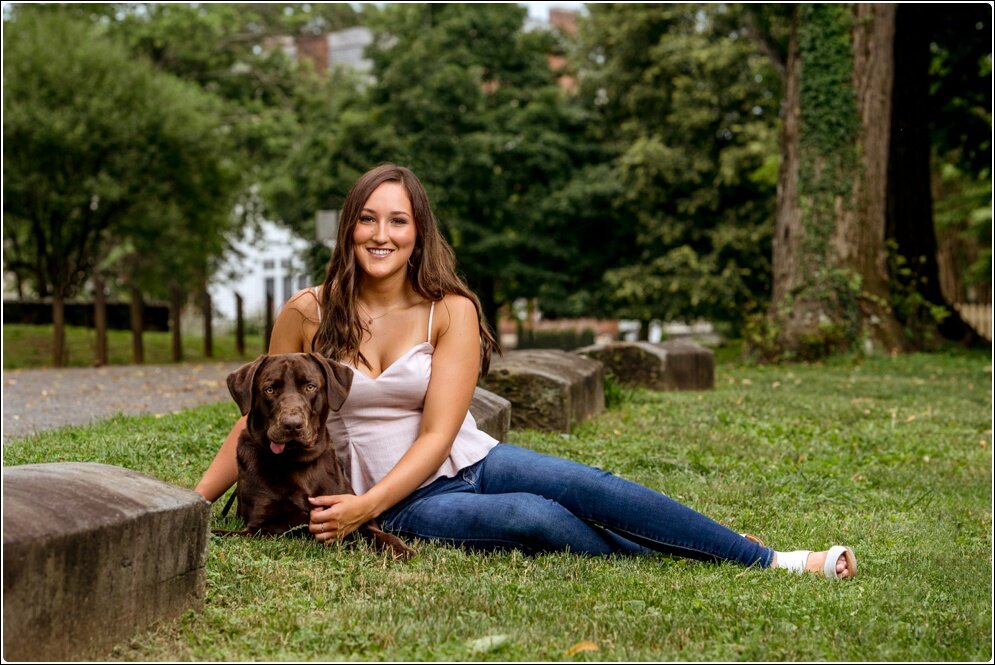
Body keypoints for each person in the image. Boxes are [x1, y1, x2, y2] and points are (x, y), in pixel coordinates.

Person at [195, 163, 856, 579]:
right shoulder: (305, 311)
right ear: (347, 229)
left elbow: (437, 434)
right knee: (535, 519)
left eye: (397, 220)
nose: (381, 233)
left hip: (468, 460)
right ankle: (705, 550)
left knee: (591, 484)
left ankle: (773, 559)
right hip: (401, 503)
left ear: (418, 233)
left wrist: (363, 505)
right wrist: (189, 504)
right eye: (367, 218)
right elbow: (252, 422)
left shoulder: (448, 309)